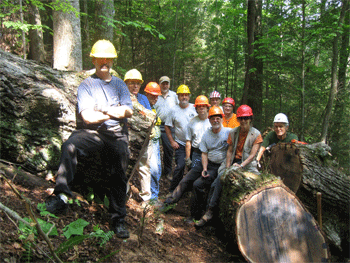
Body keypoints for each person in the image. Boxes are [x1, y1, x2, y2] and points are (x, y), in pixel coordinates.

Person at [45, 39, 133, 239]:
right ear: (93, 60)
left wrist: (104, 111)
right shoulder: (86, 85)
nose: (105, 61)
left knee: (119, 167)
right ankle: (61, 196)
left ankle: (118, 218)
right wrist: (114, 112)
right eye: (101, 58)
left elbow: (128, 110)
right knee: (69, 146)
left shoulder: (119, 84)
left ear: (113, 61)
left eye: (109, 58)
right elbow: (88, 117)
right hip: (92, 132)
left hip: (117, 134)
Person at [195, 105, 262, 228]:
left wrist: (241, 166)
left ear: (250, 119)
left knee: (257, 186)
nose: (243, 121)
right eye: (241, 118)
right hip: (232, 162)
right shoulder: (233, 132)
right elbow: (229, 151)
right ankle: (209, 211)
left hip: (248, 165)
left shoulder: (256, 134)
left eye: (246, 118)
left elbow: (252, 155)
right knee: (217, 182)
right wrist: (227, 167)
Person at [161, 96, 211, 213]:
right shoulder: (192, 122)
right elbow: (188, 142)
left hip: (212, 158)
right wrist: (188, 158)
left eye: (204, 106)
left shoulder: (212, 121)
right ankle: (170, 202)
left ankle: (201, 211)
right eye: (199, 107)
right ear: (196, 109)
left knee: (202, 184)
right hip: (197, 154)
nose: (201, 109)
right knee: (187, 179)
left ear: (207, 108)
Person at [189, 106, 231, 222]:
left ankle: (209, 216)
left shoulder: (228, 132)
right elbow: (204, 154)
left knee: (215, 186)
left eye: (218, 118)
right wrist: (205, 169)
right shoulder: (207, 134)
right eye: (213, 119)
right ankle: (195, 215)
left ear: (222, 119)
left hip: (223, 166)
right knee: (197, 184)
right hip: (211, 166)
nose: (215, 121)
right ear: (209, 120)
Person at [124, 69, 153, 205]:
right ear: (126, 83)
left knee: (143, 167)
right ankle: (124, 192)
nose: (135, 86)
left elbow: (149, 117)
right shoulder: (121, 97)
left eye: (137, 84)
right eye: (132, 83)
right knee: (124, 166)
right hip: (125, 138)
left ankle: (146, 197)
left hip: (143, 140)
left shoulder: (143, 99)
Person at [164, 84, 197, 194]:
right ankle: (172, 191)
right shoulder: (173, 110)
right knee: (180, 167)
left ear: (189, 96)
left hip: (195, 144)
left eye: (186, 95)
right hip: (181, 144)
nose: (184, 97)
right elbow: (167, 126)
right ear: (178, 97)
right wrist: (172, 141)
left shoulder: (195, 108)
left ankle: (190, 191)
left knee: (194, 168)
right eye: (182, 95)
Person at [154, 76, 179, 179]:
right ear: (159, 84)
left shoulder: (174, 96)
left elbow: (179, 108)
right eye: (163, 83)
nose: (165, 85)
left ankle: (168, 171)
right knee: (154, 149)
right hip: (155, 125)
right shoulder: (155, 95)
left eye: (166, 83)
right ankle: (155, 172)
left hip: (169, 126)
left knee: (168, 149)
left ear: (169, 84)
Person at [144, 82, 163, 201]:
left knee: (158, 169)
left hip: (156, 141)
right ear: (146, 94)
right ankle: (153, 198)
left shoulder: (152, 107)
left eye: (157, 96)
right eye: (152, 95)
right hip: (149, 142)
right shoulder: (143, 106)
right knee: (154, 169)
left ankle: (154, 194)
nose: (155, 98)